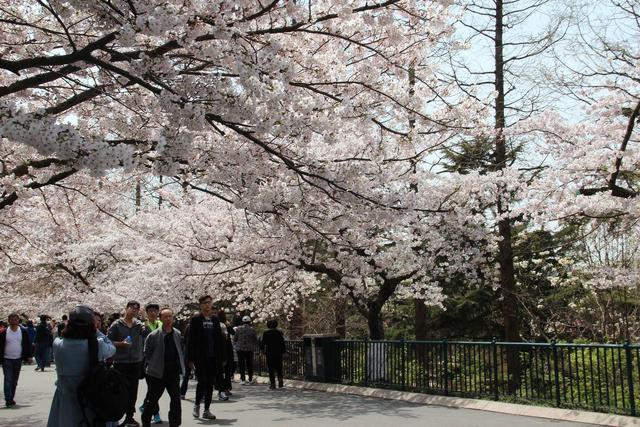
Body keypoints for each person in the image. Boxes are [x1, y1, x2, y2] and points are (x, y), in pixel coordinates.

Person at [47, 305, 116, 427]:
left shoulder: (58, 344)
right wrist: (97, 330)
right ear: (91, 324)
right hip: (91, 396)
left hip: (66, 396)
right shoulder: (97, 345)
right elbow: (112, 348)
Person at [141, 308, 185, 427]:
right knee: (152, 400)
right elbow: (147, 352)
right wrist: (153, 364)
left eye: (170, 316)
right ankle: (145, 421)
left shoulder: (177, 333)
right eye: (165, 317)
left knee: (176, 400)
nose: (168, 319)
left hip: (173, 372)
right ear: (160, 318)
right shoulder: (153, 335)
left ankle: (174, 423)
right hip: (157, 372)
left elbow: (180, 351)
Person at [186, 295, 225, 420]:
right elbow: (191, 340)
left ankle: (207, 409)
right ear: (201, 305)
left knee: (210, 383)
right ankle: (197, 405)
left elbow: (219, 339)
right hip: (200, 356)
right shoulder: (196, 319)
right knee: (202, 381)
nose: (208, 305)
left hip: (213, 356)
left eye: (209, 302)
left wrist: (222, 356)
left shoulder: (215, 319)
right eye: (205, 303)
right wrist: (190, 359)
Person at [107, 300, 145, 427]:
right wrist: (120, 344)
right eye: (132, 308)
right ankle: (116, 416)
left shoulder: (139, 325)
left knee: (133, 390)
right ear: (126, 308)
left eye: (136, 309)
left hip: (135, 362)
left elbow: (147, 336)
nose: (134, 311)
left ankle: (130, 417)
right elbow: (108, 342)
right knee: (120, 390)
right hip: (120, 362)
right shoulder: (116, 325)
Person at [0, 313, 33, 407]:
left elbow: (27, 344)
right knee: (8, 379)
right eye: (12, 319)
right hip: (7, 359)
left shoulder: (23, 331)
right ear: (8, 320)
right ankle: (8, 399)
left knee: (14, 381)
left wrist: (29, 356)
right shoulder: (4, 332)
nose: (14, 321)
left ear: (18, 320)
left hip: (18, 359)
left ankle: (11, 397)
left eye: (15, 319)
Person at [141, 303, 163, 425]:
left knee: (156, 389)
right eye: (151, 311)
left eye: (155, 310)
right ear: (147, 313)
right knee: (153, 389)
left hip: (161, 361)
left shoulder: (161, 324)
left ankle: (145, 404)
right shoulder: (143, 326)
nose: (153, 313)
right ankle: (156, 413)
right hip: (149, 361)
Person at [261, 319, 286, 389]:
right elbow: (282, 343)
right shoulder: (279, 332)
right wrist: (284, 351)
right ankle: (280, 380)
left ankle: (273, 384)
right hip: (278, 352)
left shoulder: (266, 333)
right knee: (279, 367)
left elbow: (263, 343)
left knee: (271, 368)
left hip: (269, 352)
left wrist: (262, 350)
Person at [216, 311, 235, 400]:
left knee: (220, 370)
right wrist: (228, 325)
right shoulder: (225, 324)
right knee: (227, 369)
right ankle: (226, 388)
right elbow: (233, 333)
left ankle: (221, 388)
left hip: (220, 348)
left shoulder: (216, 323)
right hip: (227, 348)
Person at [234, 315, 257, 385]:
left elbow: (235, 338)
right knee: (249, 364)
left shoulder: (238, 329)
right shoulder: (252, 329)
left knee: (241, 364)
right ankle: (250, 379)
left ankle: (243, 380)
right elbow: (255, 339)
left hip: (240, 349)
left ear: (242, 321)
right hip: (249, 349)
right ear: (249, 322)